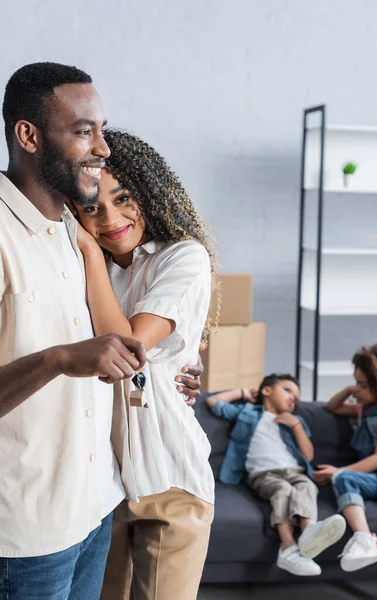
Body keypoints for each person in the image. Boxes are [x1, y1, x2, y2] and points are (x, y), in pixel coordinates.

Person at [0, 62, 201, 600]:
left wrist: (178, 374)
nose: (103, 147)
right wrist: (58, 359)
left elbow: (136, 349)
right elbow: (96, 351)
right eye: (84, 130)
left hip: (97, 505)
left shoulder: (76, 231)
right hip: (28, 533)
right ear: (29, 136)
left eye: (102, 129)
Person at [73, 129, 218, 600]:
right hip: (100, 484)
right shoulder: (74, 268)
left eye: (123, 198)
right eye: (92, 207)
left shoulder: (183, 257)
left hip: (169, 475)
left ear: (149, 191)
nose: (110, 218)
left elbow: (129, 347)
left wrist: (91, 252)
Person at [207, 374, 346, 576]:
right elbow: (214, 403)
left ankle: (309, 533)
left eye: (296, 397)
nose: (293, 398)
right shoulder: (248, 412)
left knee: (307, 486)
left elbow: (308, 455)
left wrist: (296, 426)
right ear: (267, 391)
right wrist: (243, 393)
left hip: (295, 471)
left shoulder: (295, 421)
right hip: (263, 473)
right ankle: (287, 547)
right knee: (283, 490)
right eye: (288, 390)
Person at [315, 343, 377, 572]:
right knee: (343, 479)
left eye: (363, 385)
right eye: (357, 383)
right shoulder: (365, 409)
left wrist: (339, 469)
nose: (358, 389)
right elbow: (333, 407)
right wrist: (348, 390)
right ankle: (365, 538)